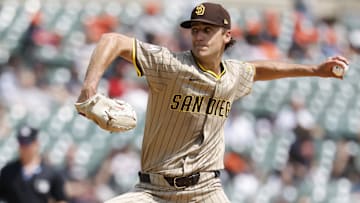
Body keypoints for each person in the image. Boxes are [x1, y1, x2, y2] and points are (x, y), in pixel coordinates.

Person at [76, 2, 350, 202]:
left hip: (206, 192)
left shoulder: (233, 74)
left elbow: (259, 69)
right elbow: (112, 40)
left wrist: (313, 70)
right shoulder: (170, 64)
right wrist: (89, 86)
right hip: (154, 192)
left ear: (226, 36)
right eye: (195, 29)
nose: (199, 36)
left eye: (208, 30)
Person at [0, 125, 68, 203]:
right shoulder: (8, 171)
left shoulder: (51, 173)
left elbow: (61, 199)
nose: (24, 147)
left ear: (36, 144)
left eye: (27, 143)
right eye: (21, 143)